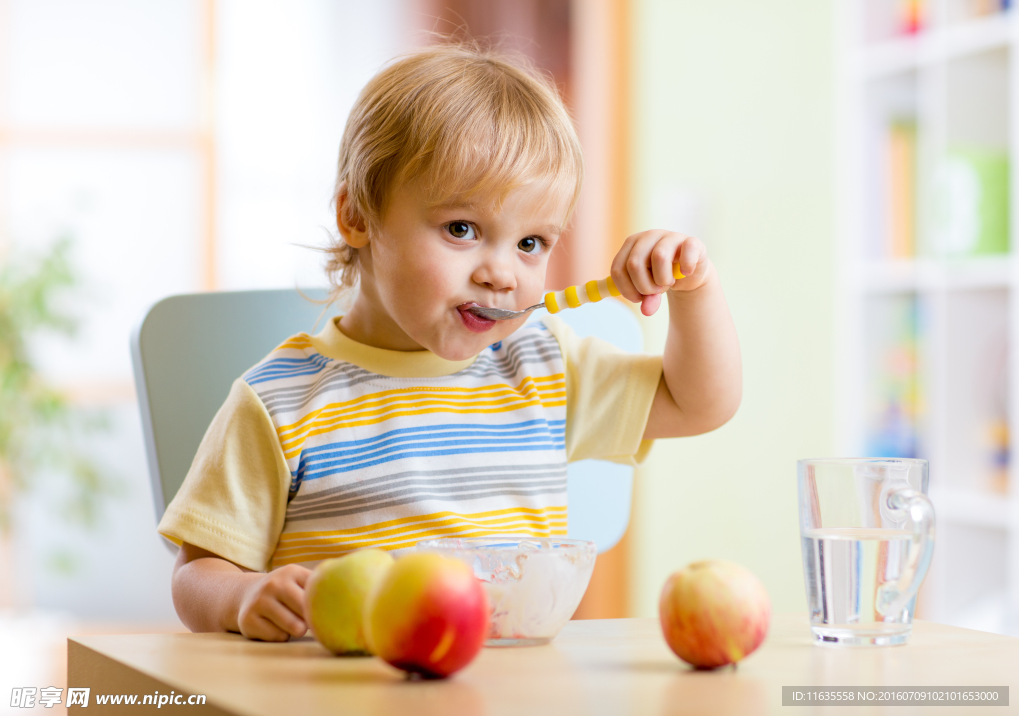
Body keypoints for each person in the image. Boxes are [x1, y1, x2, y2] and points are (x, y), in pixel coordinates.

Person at [159, 43, 741, 642]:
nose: (503, 273)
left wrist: (695, 291)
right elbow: (196, 574)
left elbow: (699, 402)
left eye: (532, 243)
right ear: (357, 215)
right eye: (462, 229)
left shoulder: (542, 364)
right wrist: (241, 597)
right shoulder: (279, 401)